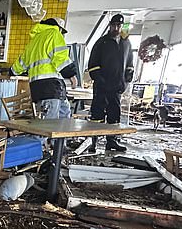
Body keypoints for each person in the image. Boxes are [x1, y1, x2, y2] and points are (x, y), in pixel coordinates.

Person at [11, 17, 79, 121]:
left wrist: (11, 71)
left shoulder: (33, 42)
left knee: (58, 120)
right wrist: (71, 75)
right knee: (54, 125)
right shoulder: (54, 34)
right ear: (58, 28)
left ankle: (57, 137)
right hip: (51, 88)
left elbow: (20, 64)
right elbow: (61, 58)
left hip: (40, 89)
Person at [86, 13, 134, 152]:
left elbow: (130, 64)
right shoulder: (101, 42)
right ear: (110, 26)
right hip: (101, 87)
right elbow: (93, 65)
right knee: (97, 115)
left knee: (114, 115)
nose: (116, 28)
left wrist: (126, 81)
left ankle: (112, 142)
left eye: (119, 25)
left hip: (117, 87)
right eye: (114, 25)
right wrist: (100, 80)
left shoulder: (126, 43)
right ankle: (93, 142)